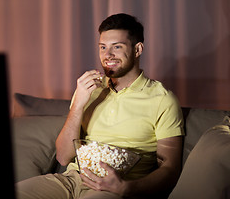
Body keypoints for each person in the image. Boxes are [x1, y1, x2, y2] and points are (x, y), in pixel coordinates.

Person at [16, 13, 184, 199]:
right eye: (103, 47)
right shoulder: (89, 90)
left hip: (115, 189)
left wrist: (127, 188)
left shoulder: (162, 99)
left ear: (138, 49)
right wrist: (78, 103)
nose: (107, 55)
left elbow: (170, 170)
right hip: (72, 180)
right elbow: (63, 157)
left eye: (117, 47)